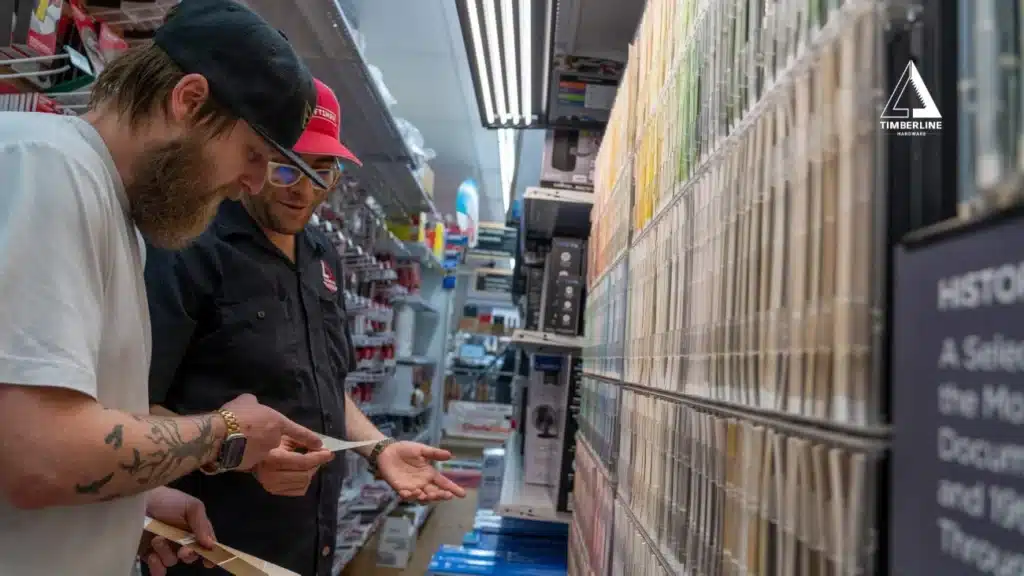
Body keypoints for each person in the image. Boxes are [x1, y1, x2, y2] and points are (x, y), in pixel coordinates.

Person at [0, 1, 330, 574]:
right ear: (189, 101)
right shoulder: (47, 168)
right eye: (253, 154)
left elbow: (60, 429)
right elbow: (35, 455)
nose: (254, 182)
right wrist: (224, 433)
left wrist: (133, 508)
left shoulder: (117, 216)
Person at [145, 78, 467, 576]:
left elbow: (322, 384)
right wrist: (236, 452)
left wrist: (376, 449)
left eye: (323, 172)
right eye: (287, 168)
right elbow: (133, 403)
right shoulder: (192, 246)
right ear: (252, 157)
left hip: (309, 542)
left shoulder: (322, 254)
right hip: (211, 544)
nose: (305, 190)